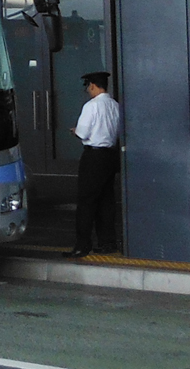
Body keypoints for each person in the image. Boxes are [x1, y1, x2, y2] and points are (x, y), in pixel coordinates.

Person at [64, 71, 123, 258]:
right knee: (106, 201)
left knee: (86, 202)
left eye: (88, 86)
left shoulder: (91, 106)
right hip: (111, 156)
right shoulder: (115, 106)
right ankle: (107, 243)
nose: (87, 90)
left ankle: (82, 245)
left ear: (92, 85)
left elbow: (83, 132)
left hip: (94, 157)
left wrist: (74, 131)